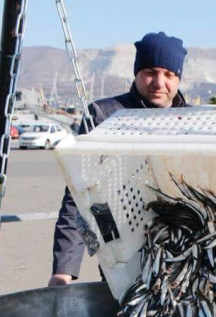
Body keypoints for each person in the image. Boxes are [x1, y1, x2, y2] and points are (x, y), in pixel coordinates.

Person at [48, 32, 189, 287]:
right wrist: (64, 269)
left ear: (178, 78)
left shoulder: (193, 121)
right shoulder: (103, 114)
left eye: (169, 74)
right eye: (150, 71)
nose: (159, 82)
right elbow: (79, 196)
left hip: (180, 247)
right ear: (135, 73)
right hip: (119, 243)